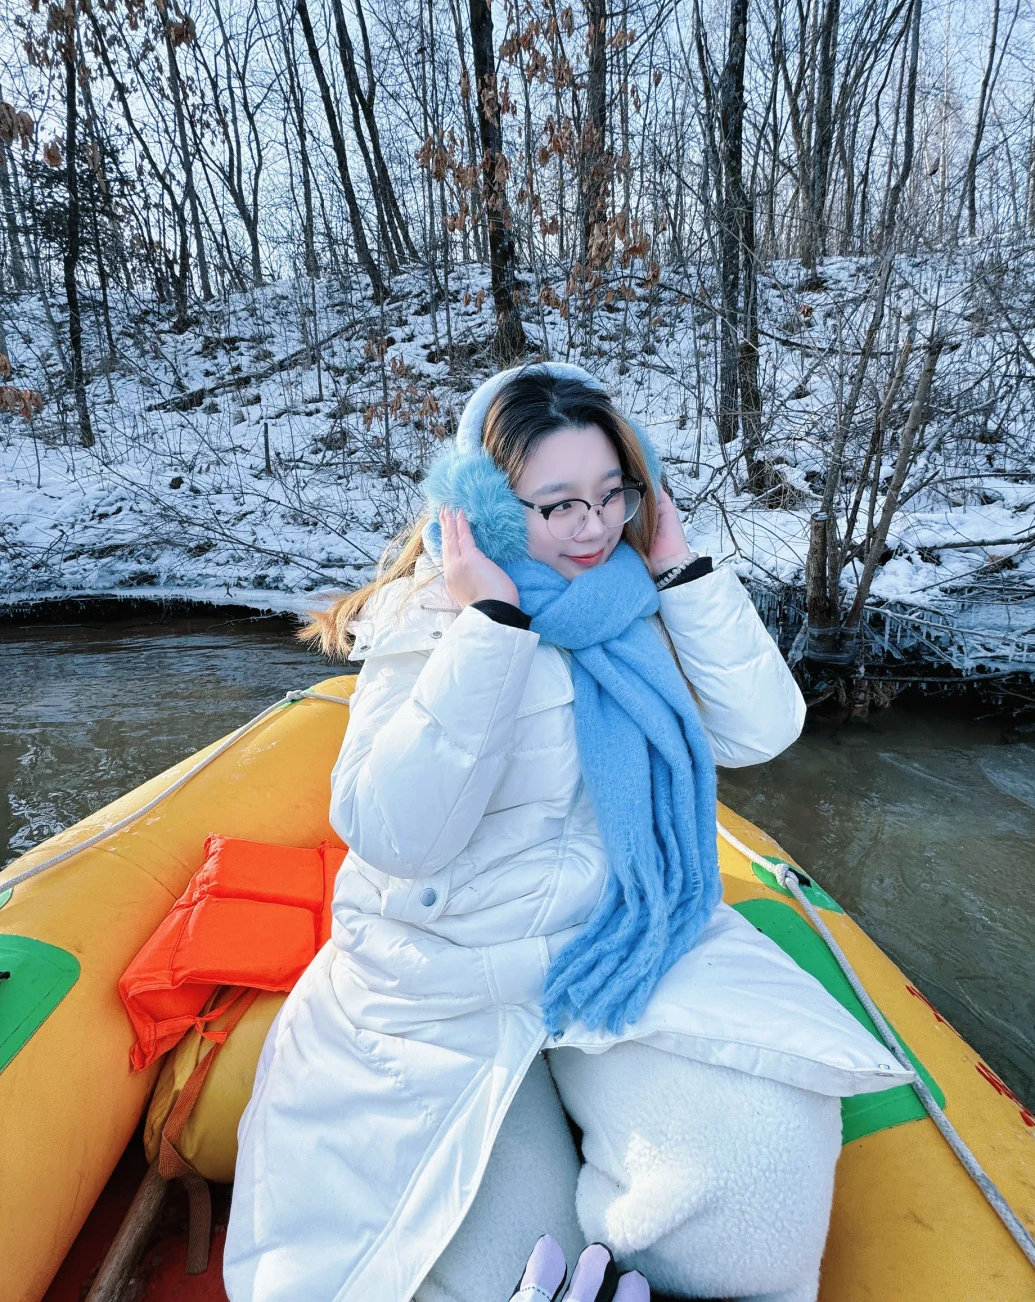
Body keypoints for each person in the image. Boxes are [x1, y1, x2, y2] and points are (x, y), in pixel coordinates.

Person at [223, 364, 912, 1302]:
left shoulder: (635, 604)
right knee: (487, 1264)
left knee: (755, 1182)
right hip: (447, 984)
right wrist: (491, 625)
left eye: (611, 494)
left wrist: (681, 573)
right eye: (557, 505)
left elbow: (762, 730)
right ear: (488, 510)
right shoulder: (431, 625)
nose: (593, 528)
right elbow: (395, 833)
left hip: (619, 948)